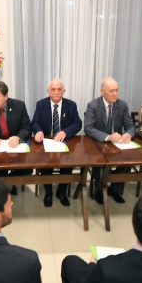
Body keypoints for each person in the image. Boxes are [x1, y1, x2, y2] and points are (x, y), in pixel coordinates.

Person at [84, 78, 136, 204]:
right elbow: (88, 128)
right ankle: (99, 191)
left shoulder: (122, 105)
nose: (115, 94)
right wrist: (108, 137)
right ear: (102, 91)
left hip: (117, 144)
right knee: (99, 163)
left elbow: (130, 126)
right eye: (111, 91)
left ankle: (114, 189)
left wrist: (128, 134)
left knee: (128, 162)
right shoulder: (93, 106)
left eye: (116, 90)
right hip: (98, 143)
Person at [31, 79, 83, 207]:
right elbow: (35, 122)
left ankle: (61, 192)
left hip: (65, 142)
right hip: (46, 142)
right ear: (48, 91)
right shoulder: (41, 104)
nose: (56, 92)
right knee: (45, 165)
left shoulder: (71, 105)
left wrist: (65, 132)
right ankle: (48, 193)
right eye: (53, 89)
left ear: (63, 91)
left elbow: (78, 123)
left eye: (59, 89)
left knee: (68, 165)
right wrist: (38, 131)